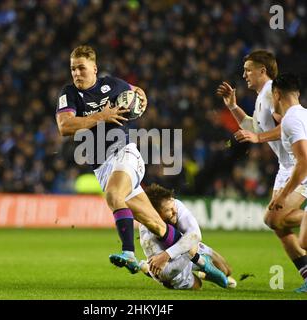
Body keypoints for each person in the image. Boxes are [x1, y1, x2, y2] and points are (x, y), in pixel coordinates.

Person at [55, 45, 186, 274]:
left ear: (94, 69)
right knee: (155, 224)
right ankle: (200, 255)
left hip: (125, 153)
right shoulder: (69, 94)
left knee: (113, 195)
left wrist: (140, 92)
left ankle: (128, 253)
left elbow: (135, 91)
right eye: (73, 69)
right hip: (103, 168)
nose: (76, 73)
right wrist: (101, 116)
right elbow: (65, 126)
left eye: (81, 68)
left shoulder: (111, 85)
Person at [217, 50, 307, 290]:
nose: (244, 74)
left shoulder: (271, 93)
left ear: (262, 71)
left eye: (248, 69)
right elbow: (252, 126)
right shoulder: (261, 98)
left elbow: (286, 125)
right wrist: (233, 106)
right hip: (285, 165)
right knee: (275, 223)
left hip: (297, 164)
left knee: (276, 218)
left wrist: (258, 138)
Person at [138, 183, 234, 290]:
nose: (175, 211)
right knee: (198, 286)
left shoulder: (176, 205)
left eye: (173, 206)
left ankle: (204, 272)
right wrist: (190, 254)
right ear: (156, 214)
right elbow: (163, 274)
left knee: (226, 271)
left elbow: (195, 235)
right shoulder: (148, 236)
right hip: (173, 265)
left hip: (184, 247)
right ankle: (148, 269)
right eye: (168, 210)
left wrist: (167, 254)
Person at [269, 73, 307, 293]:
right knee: (273, 219)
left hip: (304, 175)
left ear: (276, 94)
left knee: (303, 242)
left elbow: (303, 163)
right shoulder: (301, 115)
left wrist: (283, 195)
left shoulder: (292, 120)